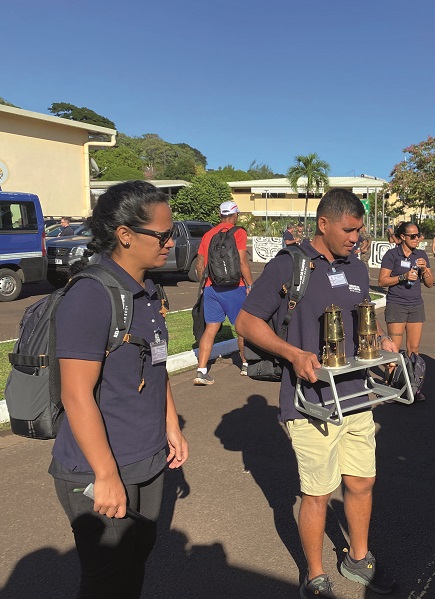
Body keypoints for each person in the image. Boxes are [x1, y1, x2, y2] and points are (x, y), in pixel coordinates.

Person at [235, 188, 398, 599]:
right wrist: (292, 354)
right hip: (311, 404)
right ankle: (314, 575)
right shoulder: (290, 266)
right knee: (318, 493)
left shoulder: (357, 268)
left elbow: (362, 321)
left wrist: (381, 345)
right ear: (323, 224)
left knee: (362, 482)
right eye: (349, 229)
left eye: (360, 230)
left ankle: (358, 559)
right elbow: (247, 322)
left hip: (358, 398)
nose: (357, 237)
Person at [50, 180, 189, 598]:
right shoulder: (92, 295)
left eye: (172, 232)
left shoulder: (147, 291)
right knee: (106, 580)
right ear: (125, 235)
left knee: (134, 565)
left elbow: (156, 365)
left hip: (146, 459)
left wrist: (172, 425)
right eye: (162, 235)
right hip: (101, 467)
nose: (170, 243)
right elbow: (76, 394)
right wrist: (106, 474)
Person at [193, 200, 254, 384]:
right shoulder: (239, 232)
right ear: (235, 215)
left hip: (212, 287)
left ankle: (201, 371)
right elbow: (242, 261)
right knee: (242, 327)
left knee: (211, 328)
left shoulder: (209, 234)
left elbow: (200, 264)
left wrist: (204, 284)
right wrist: (250, 285)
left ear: (220, 215)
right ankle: (245, 364)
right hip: (235, 287)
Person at [378, 221, 433, 359]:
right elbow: (382, 281)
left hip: (416, 305)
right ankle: (390, 379)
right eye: (412, 236)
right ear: (403, 237)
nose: (417, 239)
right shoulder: (392, 255)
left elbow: (430, 284)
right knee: (393, 349)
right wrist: (403, 276)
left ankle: (411, 379)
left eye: (418, 235)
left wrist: (425, 269)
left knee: (413, 349)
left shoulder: (421, 255)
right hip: (397, 304)